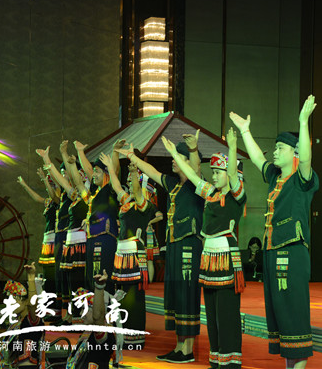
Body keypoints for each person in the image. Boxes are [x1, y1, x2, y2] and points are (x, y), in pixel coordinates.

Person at [230, 94, 319, 369]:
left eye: (280, 148)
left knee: (293, 313)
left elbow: (306, 159)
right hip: (272, 252)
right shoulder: (275, 178)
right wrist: (245, 131)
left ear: (294, 153)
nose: (275, 152)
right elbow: (258, 158)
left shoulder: (302, 179)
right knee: (279, 314)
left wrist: (303, 122)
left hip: (291, 252)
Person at [161, 126, 247, 369]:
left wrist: (232, 146)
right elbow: (192, 175)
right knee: (212, 315)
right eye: (214, 172)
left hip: (226, 260)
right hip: (209, 261)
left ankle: (230, 363)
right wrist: (174, 154)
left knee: (226, 313)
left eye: (219, 172)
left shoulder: (237, 196)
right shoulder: (210, 194)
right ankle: (216, 361)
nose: (214, 176)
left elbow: (232, 175)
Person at [117, 130, 204, 364]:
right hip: (174, 244)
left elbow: (196, 168)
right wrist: (132, 157)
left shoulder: (196, 184)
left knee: (186, 293)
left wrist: (193, 149)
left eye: (177, 158)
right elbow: (153, 172)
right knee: (175, 294)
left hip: (189, 243)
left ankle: (188, 350)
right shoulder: (174, 184)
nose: (173, 161)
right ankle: (179, 347)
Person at [100, 152, 158, 348]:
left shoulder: (144, 205)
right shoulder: (126, 202)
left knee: (133, 295)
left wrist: (134, 172)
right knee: (122, 294)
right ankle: (123, 333)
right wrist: (110, 167)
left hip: (134, 253)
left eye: (132, 181)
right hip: (122, 253)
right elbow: (116, 186)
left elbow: (137, 191)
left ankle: (135, 336)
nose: (128, 184)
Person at [38, 142, 88, 324]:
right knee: (68, 280)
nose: (73, 180)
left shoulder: (87, 195)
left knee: (78, 281)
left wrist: (67, 155)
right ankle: (69, 315)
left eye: (77, 177)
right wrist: (47, 160)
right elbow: (62, 180)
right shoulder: (74, 195)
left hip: (82, 244)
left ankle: (79, 317)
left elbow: (70, 179)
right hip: (70, 243)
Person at [73, 139, 121, 292]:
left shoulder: (110, 189)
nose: (93, 174)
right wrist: (80, 152)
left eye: (98, 171)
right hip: (91, 238)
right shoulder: (94, 193)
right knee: (91, 276)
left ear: (107, 174)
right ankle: (92, 304)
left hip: (106, 238)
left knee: (104, 275)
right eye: (94, 171)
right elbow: (84, 175)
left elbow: (115, 171)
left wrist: (115, 151)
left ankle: (106, 304)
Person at [17, 166, 61, 320]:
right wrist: (24, 185)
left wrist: (44, 179)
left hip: (56, 241)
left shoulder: (60, 201)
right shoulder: (49, 202)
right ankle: (49, 309)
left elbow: (53, 195)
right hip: (47, 241)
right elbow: (37, 198)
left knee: (54, 276)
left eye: (54, 185)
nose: (51, 188)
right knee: (48, 277)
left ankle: (56, 310)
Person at [66, 269, 117, 369]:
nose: (81, 314)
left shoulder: (104, 336)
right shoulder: (86, 334)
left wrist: (99, 288)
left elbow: (98, 317)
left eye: (84, 309)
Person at [0, 262, 42, 366]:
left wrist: (31, 277)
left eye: (15, 298)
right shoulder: (15, 323)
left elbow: (32, 305)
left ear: (26, 301)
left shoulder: (30, 321)